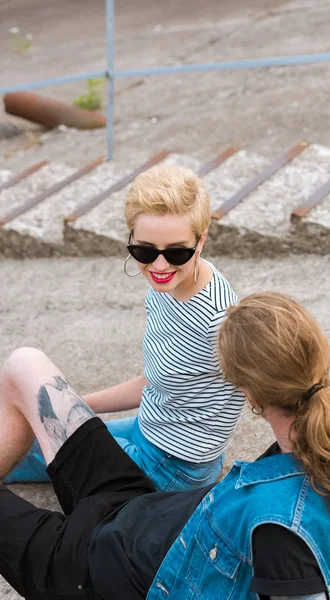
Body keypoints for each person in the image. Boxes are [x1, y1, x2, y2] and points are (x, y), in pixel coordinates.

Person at [1, 291, 330, 600]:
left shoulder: (280, 528)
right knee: (25, 363)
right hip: (139, 508)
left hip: (92, 572)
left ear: (246, 393)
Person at [4, 164, 245, 491]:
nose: (160, 265)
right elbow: (154, 380)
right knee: (39, 427)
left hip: (173, 465)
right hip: (151, 429)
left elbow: (265, 387)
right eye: (144, 250)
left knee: (34, 453)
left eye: (177, 252)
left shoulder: (219, 319)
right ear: (131, 239)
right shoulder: (168, 285)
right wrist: (77, 404)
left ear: (200, 242)